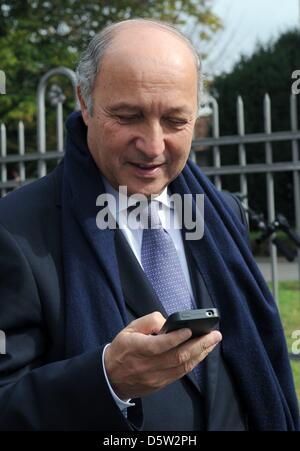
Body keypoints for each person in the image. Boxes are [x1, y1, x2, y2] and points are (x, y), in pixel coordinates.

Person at [0, 18, 298, 431]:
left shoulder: (224, 213)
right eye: (128, 116)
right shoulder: (15, 230)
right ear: (84, 103)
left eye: (176, 121)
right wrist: (106, 380)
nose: (153, 146)